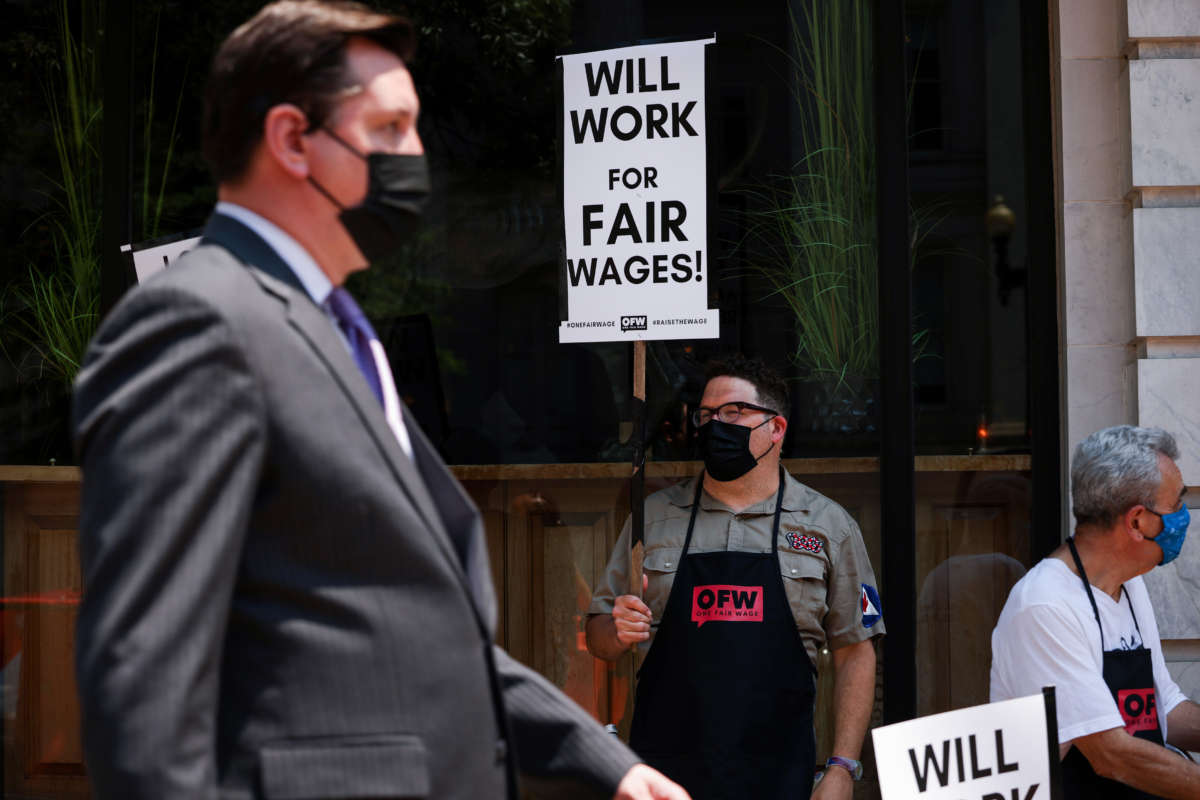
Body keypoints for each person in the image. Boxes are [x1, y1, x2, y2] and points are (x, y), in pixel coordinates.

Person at [71, 3, 688, 799]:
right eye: (392, 128)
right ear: (292, 138)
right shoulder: (196, 324)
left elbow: (412, 632)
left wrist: (613, 764)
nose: (417, 157)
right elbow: (142, 676)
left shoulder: (334, 331)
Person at [586, 355, 885, 800]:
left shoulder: (828, 526)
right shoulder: (653, 518)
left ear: (776, 429)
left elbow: (855, 651)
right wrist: (616, 628)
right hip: (664, 779)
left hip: (782, 778)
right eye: (706, 415)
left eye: (732, 413)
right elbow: (598, 638)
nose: (714, 425)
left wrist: (842, 767)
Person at [991, 425, 1200, 799]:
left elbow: (1162, 705)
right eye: (1175, 505)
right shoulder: (1045, 605)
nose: (1183, 516)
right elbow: (1112, 755)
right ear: (1137, 521)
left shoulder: (1128, 584)